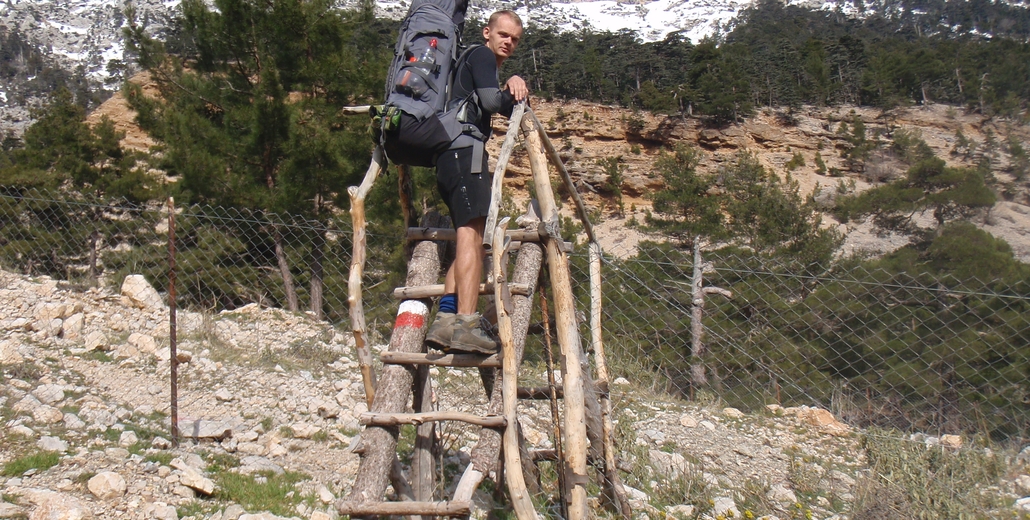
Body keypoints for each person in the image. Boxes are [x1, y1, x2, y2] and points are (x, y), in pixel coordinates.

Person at [425, 10, 528, 354]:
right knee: (472, 234)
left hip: (450, 154)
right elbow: (489, 101)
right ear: (488, 32)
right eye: (503, 34)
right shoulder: (482, 54)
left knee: (466, 233)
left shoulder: (470, 57)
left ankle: (446, 319)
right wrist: (513, 90)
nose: (508, 42)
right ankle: (467, 324)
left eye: (514, 39)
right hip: (465, 151)